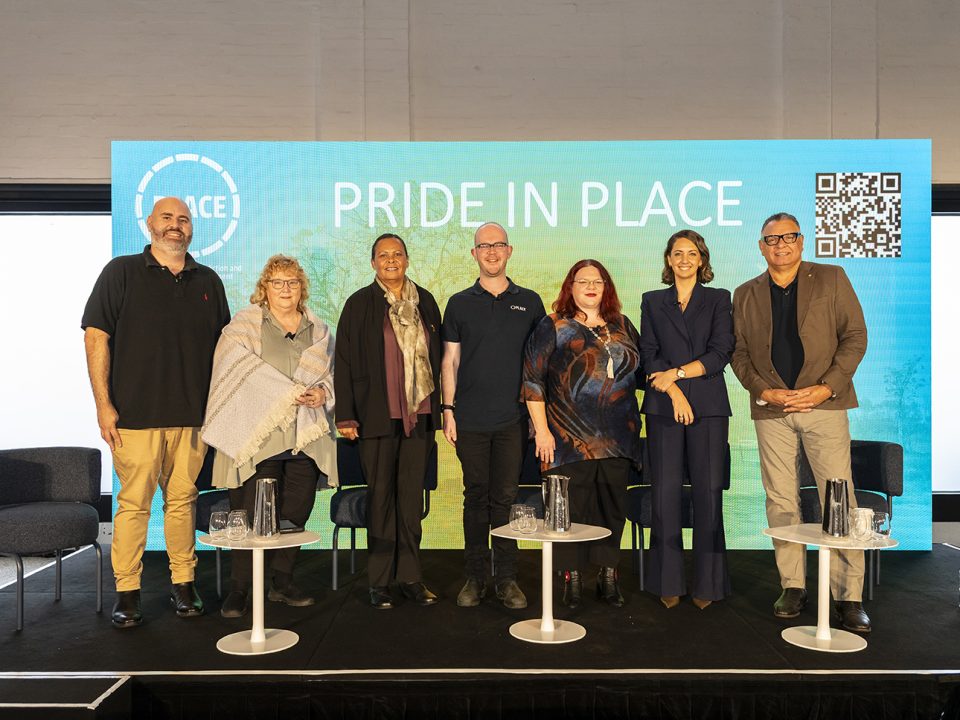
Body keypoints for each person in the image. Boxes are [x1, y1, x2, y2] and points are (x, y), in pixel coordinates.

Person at [82, 197, 230, 628]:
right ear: (150, 224)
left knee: (183, 502)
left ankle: (184, 585)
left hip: (193, 418)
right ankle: (127, 592)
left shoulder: (209, 281)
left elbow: (224, 353)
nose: (175, 226)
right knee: (133, 506)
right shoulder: (121, 272)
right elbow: (96, 340)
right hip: (134, 417)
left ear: (191, 229)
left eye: (183, 219)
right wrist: (103, 405)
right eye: (167, 218)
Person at [731, 212, 870, 633]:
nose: (781, 245)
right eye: (772, 239)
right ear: (761, 246)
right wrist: (764, 391)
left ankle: (849, 596)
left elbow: (855, 337)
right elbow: (738, 353)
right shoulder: (746, 293)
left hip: (823, 405)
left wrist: (825, 388)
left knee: (838, 498)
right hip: (772, 408)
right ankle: (793, 585)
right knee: (781, 499)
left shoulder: (831, 278)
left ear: (801, 241)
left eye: (789, 237)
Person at [202, 255, 338, 618]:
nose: (285, 289)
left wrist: (323, 393)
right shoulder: (244, 326)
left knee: (295, 513)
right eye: (277, 282)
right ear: (264, 287)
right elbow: (233, 374)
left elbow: (332, 375)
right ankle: (240, 589)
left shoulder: (319, 330)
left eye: (292, 282)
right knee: (248, 516)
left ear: (302, 287)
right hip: (257, 435)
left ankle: (281, 581)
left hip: (303, 437)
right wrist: (282, 393)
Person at [523, 259, 642, 608]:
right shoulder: (554, 325)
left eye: (598, 281)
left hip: (619, 438)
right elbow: (532, 380)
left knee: (611, 510)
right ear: (570, 287)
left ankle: (608, 577)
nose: (591, 286)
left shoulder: (623, 325)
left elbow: (644, 370)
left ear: (607, 287)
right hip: (566, 440)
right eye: (583, 281)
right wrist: (541, 432)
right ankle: (571, 580)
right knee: (569, 513)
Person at [441, 222, 546, 609]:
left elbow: (539, 367)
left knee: (505, 499)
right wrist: (447, 411)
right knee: (475, 498)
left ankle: (507, 580)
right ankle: (475, 577)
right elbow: (449, 361)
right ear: (474, 254)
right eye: (483, 246)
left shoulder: (531, 302)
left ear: (509, 250)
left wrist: (539, 422)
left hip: (513, 420)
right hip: (468, 419)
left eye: (498, 244)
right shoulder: (458, 303)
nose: (491, 251)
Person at [335, 233, 442, 609]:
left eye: (398, 254)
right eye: (384, 255)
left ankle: (411, 578)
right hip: (376, 418)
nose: (391, 260)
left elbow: (439, 356)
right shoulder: (359, 304)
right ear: (373, 263)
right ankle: (379, 582)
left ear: (407, 260)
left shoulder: (425, 301)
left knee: (411, 503)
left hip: (420, 417)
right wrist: (345, 414)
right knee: (380, 501)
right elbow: (344, 362)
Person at [639, 230, 733, 610]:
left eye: (691, 253)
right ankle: (667, 581)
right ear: (667, 259)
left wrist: (677, 376)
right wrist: (673, 391)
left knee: (709, 494)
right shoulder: (652, 301)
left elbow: (721, 351)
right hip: (664, 407)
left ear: (702, 259)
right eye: (677, 253)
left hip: (708, 407)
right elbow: (648, 354)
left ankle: (708, 585)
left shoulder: (718, 299)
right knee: (664, 495)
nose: (683, 259)